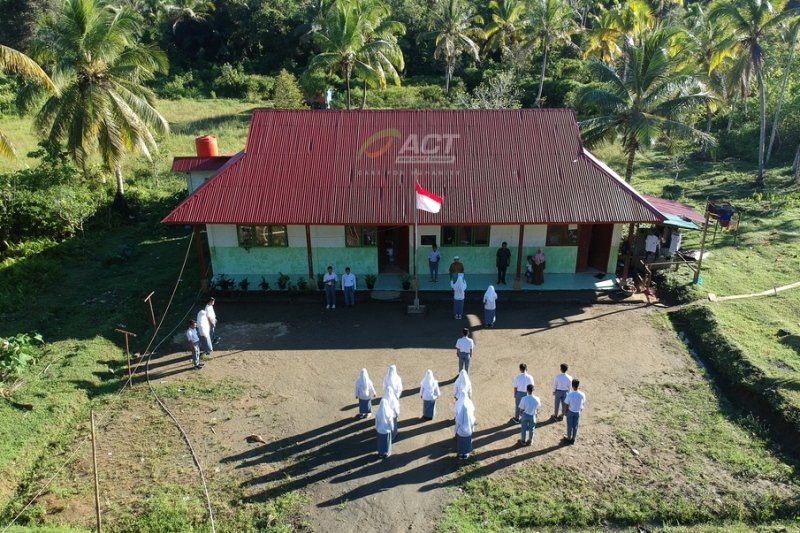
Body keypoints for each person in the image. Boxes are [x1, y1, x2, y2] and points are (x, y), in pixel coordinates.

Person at [454, 392, 476, 460]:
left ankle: (461, 455)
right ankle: (466, 454)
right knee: (467, 443)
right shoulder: (470, 417)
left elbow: (457, 424)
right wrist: (472, 430)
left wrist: (455, 431)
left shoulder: (459, 416)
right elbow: (473, 422)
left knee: (461, 444)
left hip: (460, 433)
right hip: (468, 432)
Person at [564, 379, 586, 444]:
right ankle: (573, 439)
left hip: (570, 411)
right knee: (575, 426)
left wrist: (565, 412)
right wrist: (581, 408)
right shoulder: (582, 394)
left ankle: (568, 438)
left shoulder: (570, 394)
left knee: (569, 426)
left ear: (572, 386)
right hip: (577, 412)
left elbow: (566, 404)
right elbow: (583, 402)